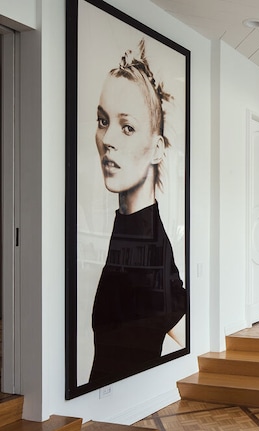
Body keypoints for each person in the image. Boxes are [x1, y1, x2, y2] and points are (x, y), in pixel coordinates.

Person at [89, 39, 186, 384]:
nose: (108, 139)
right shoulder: (129, 230)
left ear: (157, 148)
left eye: (127, 127)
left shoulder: (148, 244)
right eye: (103, 121)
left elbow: (180, 323)